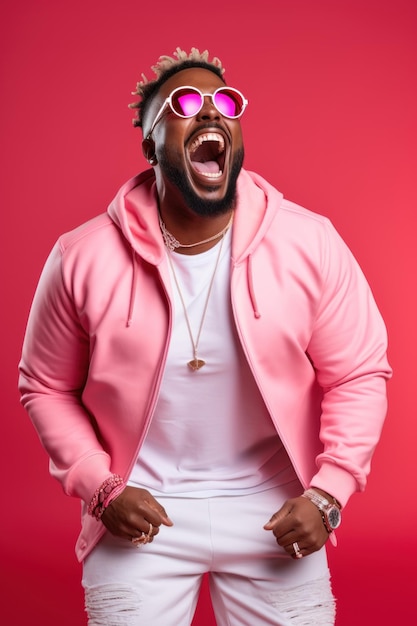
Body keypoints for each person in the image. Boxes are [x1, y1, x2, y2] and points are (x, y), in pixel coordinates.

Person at [18, 47, 392, 625]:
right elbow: (44, 384)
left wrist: (329, 494)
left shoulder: (310, 243)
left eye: (225, 103)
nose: (211, 113)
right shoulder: (81, 256)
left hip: (276, 512)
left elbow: (359, 373)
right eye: (185, 104)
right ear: (150, 145)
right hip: (139, 511)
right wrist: (101, 488)